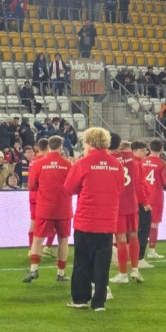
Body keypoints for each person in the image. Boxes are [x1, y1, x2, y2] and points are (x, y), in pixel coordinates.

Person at [65, 127, 125, 311]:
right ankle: (99, 302)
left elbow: (69, 188)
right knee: (102, 262)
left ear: (89, 143)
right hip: (107, 221)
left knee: (82, 261)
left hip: (86, 220)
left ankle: (80, 299)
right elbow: (120, 188)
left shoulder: (83, 163)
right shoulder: (116, 164)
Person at [23, 136, 73, 283]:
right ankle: (61, 272)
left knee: (38, 238)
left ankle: (34, 269)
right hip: (63, 207)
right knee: (63, 240)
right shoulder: (68, 165)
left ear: (48, 147)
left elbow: (31, 186)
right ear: (61, 147)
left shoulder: (39, 164)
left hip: (45, 207)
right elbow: (73, 185)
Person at [109, 134, 149, 284]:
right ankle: (135, 270)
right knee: (133, 236)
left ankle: (122, 274)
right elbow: (139, 183)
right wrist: (143, 201)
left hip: (118, 205)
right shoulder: (132, 158)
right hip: (132, 204)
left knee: (121, 239)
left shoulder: (109, 160)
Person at [141, 139, 166, 261]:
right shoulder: (162, 163)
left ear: (149, 148)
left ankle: (137, 253)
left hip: (142, 195)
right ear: (161, 149)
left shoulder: (142, 161)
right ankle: (151, 251)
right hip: (156, 195)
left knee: (140, 224)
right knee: (154, 223)